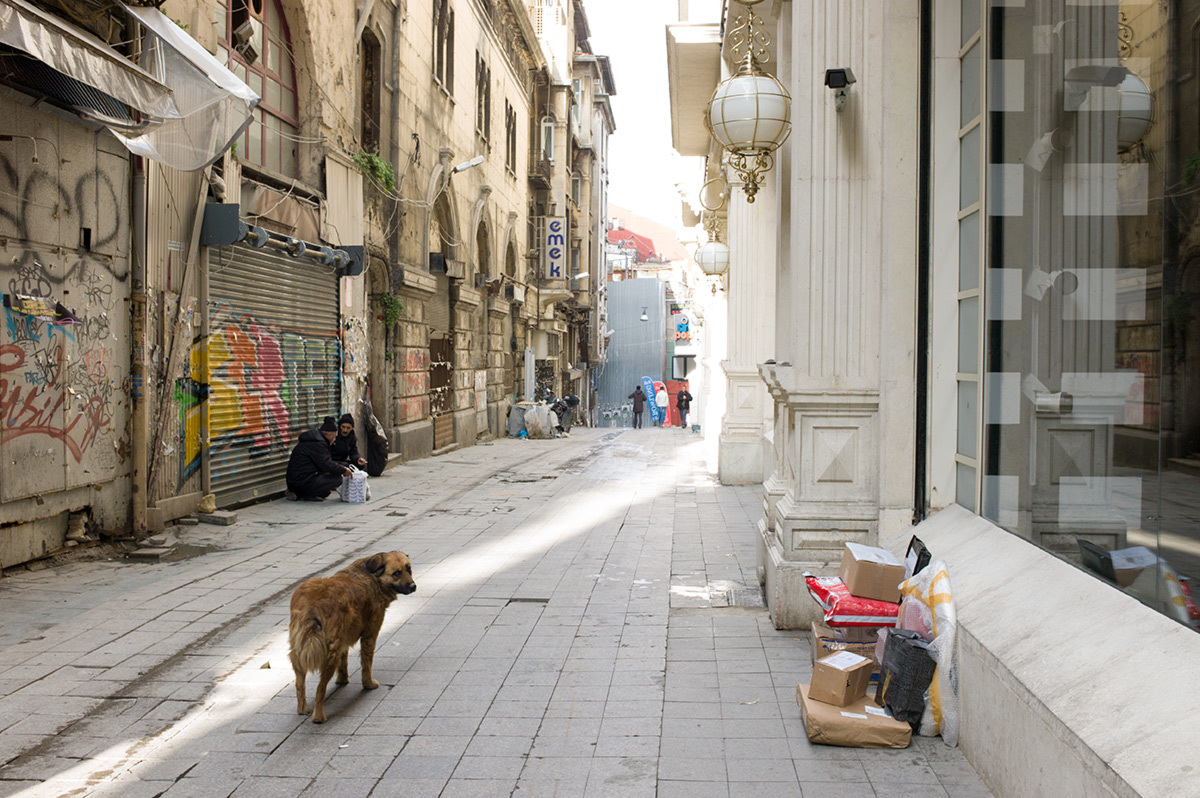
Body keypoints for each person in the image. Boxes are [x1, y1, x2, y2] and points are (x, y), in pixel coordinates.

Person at [286, 416, 352, 501]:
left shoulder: (316, 440)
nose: (334, 440)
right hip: (300, 482)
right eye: (335, 436)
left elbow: (325, 462)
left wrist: (344, 465)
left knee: (325, 492)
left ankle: (300, 493)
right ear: (329, 434)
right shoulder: (318, 444)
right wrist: (344, 470)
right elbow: (327, 465)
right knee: (337, 479)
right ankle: (300, 493)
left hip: (300, 480)